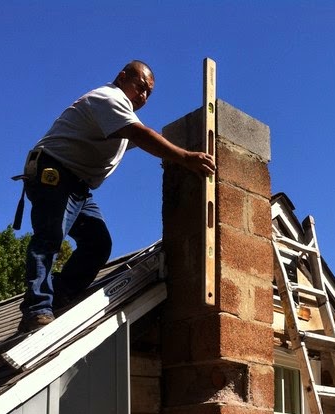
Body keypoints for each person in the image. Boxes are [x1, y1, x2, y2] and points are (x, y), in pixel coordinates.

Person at [16, 60, 215, 333]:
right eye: (140, 87)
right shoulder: (110, 98)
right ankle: (36, 308)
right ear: (122, 77)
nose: (143, 97)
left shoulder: (119, 116)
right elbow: (141, 135)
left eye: (148, 94)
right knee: (49, 237)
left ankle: (59, 296)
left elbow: (145, 138)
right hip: (55, 172)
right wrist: (185, 157)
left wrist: (185, 144)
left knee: (98, 244)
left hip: (78, 186)